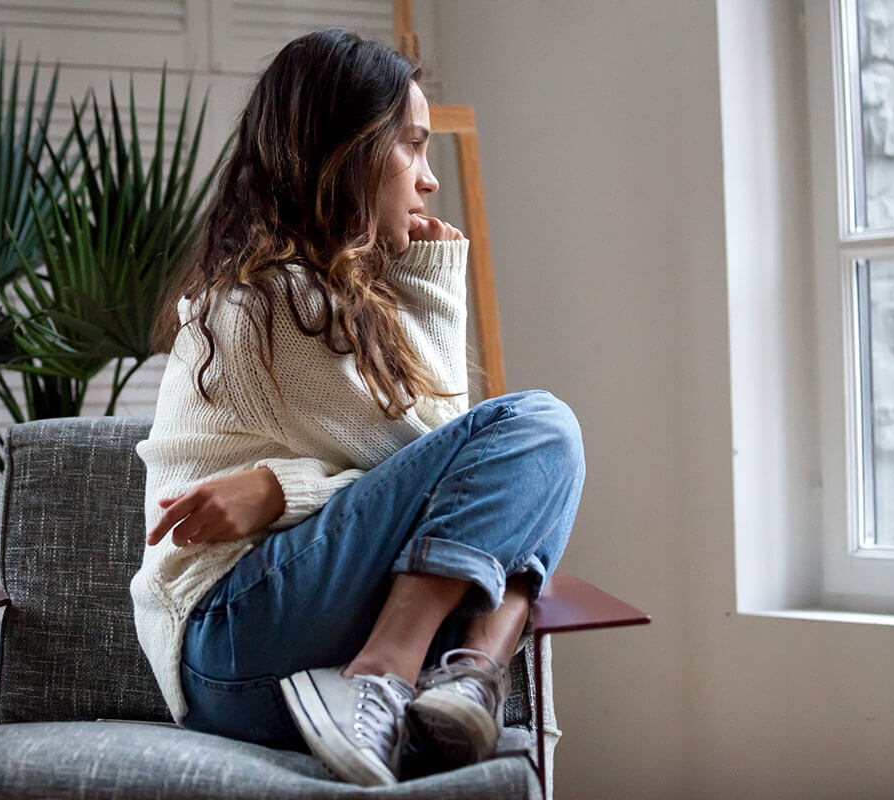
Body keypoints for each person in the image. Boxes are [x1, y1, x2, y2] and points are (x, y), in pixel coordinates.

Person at [131, 28, 585, 787]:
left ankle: (464, 680)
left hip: (271, 647)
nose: (429, 180)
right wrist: (437, 280)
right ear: (346, 152)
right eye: (411, 146)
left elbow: (451, 490)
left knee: (524, 481)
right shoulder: (273, 301)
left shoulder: (330, 297)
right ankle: (403, 669)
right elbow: (452, 455)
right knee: (542, 430)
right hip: (234, 634)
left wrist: (282, 490)